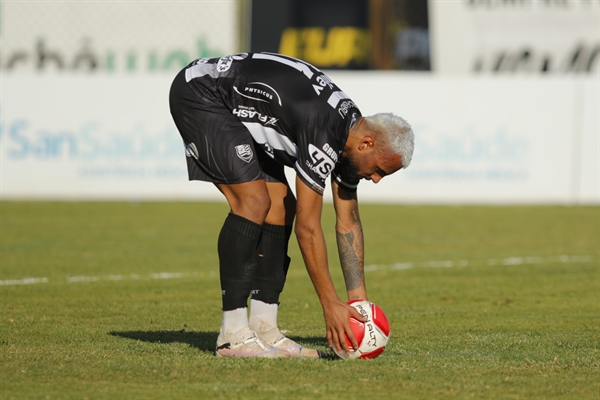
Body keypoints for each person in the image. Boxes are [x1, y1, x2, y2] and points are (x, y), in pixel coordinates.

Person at [169, 52, 414, 359]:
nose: (376, 179)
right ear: (367, 144)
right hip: (202, 93)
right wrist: (329, 304)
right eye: (379, 170)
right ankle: (232, 335)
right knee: (254, 201)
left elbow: (348, 221)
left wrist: (357, 304)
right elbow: (308, 228)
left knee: (280, 207)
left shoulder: (352, 136)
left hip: (236, 104)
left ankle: (263, 328)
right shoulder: (324, 131)